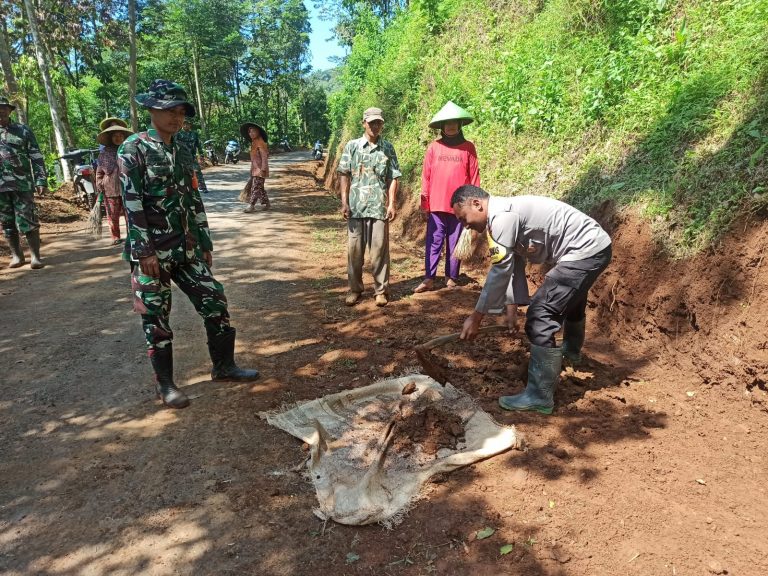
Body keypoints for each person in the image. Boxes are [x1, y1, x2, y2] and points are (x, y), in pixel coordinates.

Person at [119, 79, 260, 409]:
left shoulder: (182, 148)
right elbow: (132, 203)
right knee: (156, 316)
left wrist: (205, 240)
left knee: (214, 298)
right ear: (152, 109)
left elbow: (192, 197)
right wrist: (144, 251)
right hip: (152, 251)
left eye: (180, 111)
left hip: (186, 247)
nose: (176, 117)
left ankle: (224, 367)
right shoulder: (133, 149)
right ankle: (166, 386)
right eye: (169, 110)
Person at [452, 185, 612, 415]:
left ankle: (539, 396)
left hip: (585, 250)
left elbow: (499, 270)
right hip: (593, 246)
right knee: (570, 295)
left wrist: (476, 317)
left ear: (477, 204)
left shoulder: (501, 219)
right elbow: (515, 263)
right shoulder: (503, 215)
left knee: (541, 315)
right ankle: (571, 352)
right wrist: (511, 307)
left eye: (463, 218)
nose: (465, 225)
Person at [337, 107, 401, 307]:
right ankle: (355, 289)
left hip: (378, 209)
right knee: (355, 252)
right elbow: (344, 174)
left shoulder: (387, 148)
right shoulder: (353, 146)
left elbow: (394, 177)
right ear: (363, 123)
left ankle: (381, 291)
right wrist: (344, 202)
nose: (375, 126)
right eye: (372, 122)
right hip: (356, 208)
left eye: (378, 122)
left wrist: (391, 203)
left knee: (379, 252)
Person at [415, 101, 480, 293]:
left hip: (459, 206)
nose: (450, 126)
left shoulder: (468, 148)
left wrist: (474, 205)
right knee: (434, 241)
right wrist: (424, 203)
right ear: (442, 126)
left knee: (455, 242)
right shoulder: (433, 148)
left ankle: (452, 277)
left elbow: (475, 177)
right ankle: (429, 278)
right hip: (436, 204)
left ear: (460, 125)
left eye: (454, 122)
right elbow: (426, 176)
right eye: (447, 123)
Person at [0, 95, 47, 269]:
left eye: (4, 108)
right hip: (1, 188)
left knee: (28, 219)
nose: (1, 111)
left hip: (22, 184)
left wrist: (41, 179)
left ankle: (35, 257)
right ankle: (17, 257)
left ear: (9, 110)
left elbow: (36, 156)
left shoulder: (23, 130)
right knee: (7, 222)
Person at [96, 124, 133, 245]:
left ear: (124, 137)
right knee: (112, 215)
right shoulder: (104, 153)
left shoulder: (129, 151)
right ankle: (115, 236)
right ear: (111, 138)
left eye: (120, 135)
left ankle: (131, 235)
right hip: (110, 188)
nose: (118, 138)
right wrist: (100, 183)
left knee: (130, 214)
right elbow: (99, 171)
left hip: (128, 187)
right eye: (115, 136)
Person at [240, 122, 269, 212]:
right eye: (250, 132)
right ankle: (267, 203)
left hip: (260, 170)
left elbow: (264, 156)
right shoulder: (254, 143)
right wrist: (251, 169)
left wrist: (263, 168)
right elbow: (253, 159)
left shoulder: (260, 143)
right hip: (255, 170)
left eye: (253, 132)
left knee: (255, 187)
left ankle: (251, 205)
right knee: (260, 188)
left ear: (258, 133)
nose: (251, 134)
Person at [176, 118, 208, 193]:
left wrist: (201, 155)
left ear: (190, 125)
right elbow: (174, 145)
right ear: (182, 125)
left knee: (197, 172)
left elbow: (198, 145)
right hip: (182, 157)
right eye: (184, 124)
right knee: (182, 173)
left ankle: (202, 187)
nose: (186, 125)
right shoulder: (178, 134)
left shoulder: (194, 134)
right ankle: (183, 189)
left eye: (187, 124)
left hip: (192, 157)